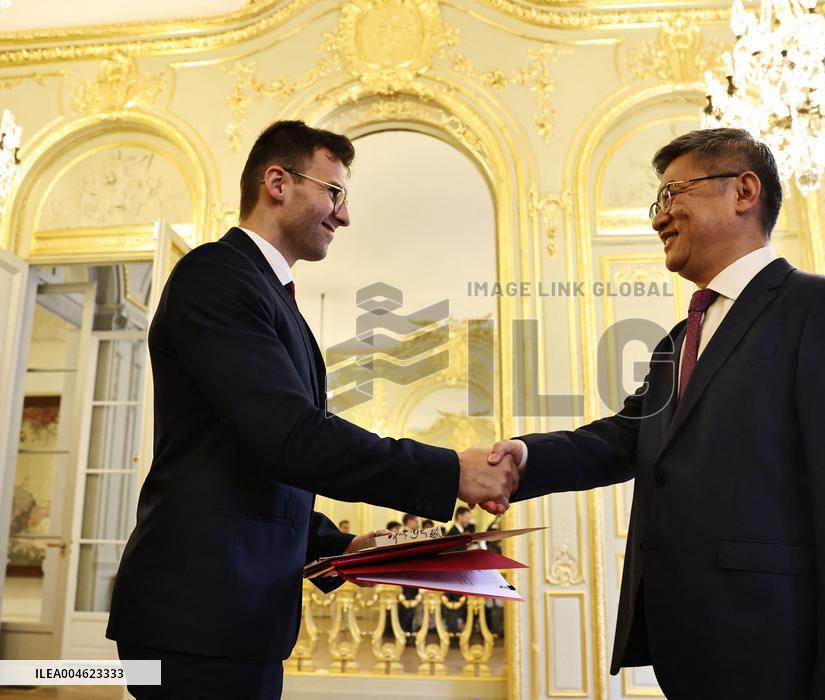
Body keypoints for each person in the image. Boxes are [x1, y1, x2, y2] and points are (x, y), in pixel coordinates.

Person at [488, 128, 825, 699]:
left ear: (743, 191)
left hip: (783, 650)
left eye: (673, 195)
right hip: (692, 649)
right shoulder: (678, 339)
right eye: (656, 203)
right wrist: (524, 459)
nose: (658, 218)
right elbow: (626, 438)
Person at [106, 120, 519, 699]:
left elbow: (251, 472)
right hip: (199, 612)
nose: (343, 216)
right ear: (278, 182)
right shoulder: (215, 276)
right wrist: (451, 470)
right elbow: (291, 438)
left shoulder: (269, 296)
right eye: (334, 192)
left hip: (237, 612)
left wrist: (338, 544)